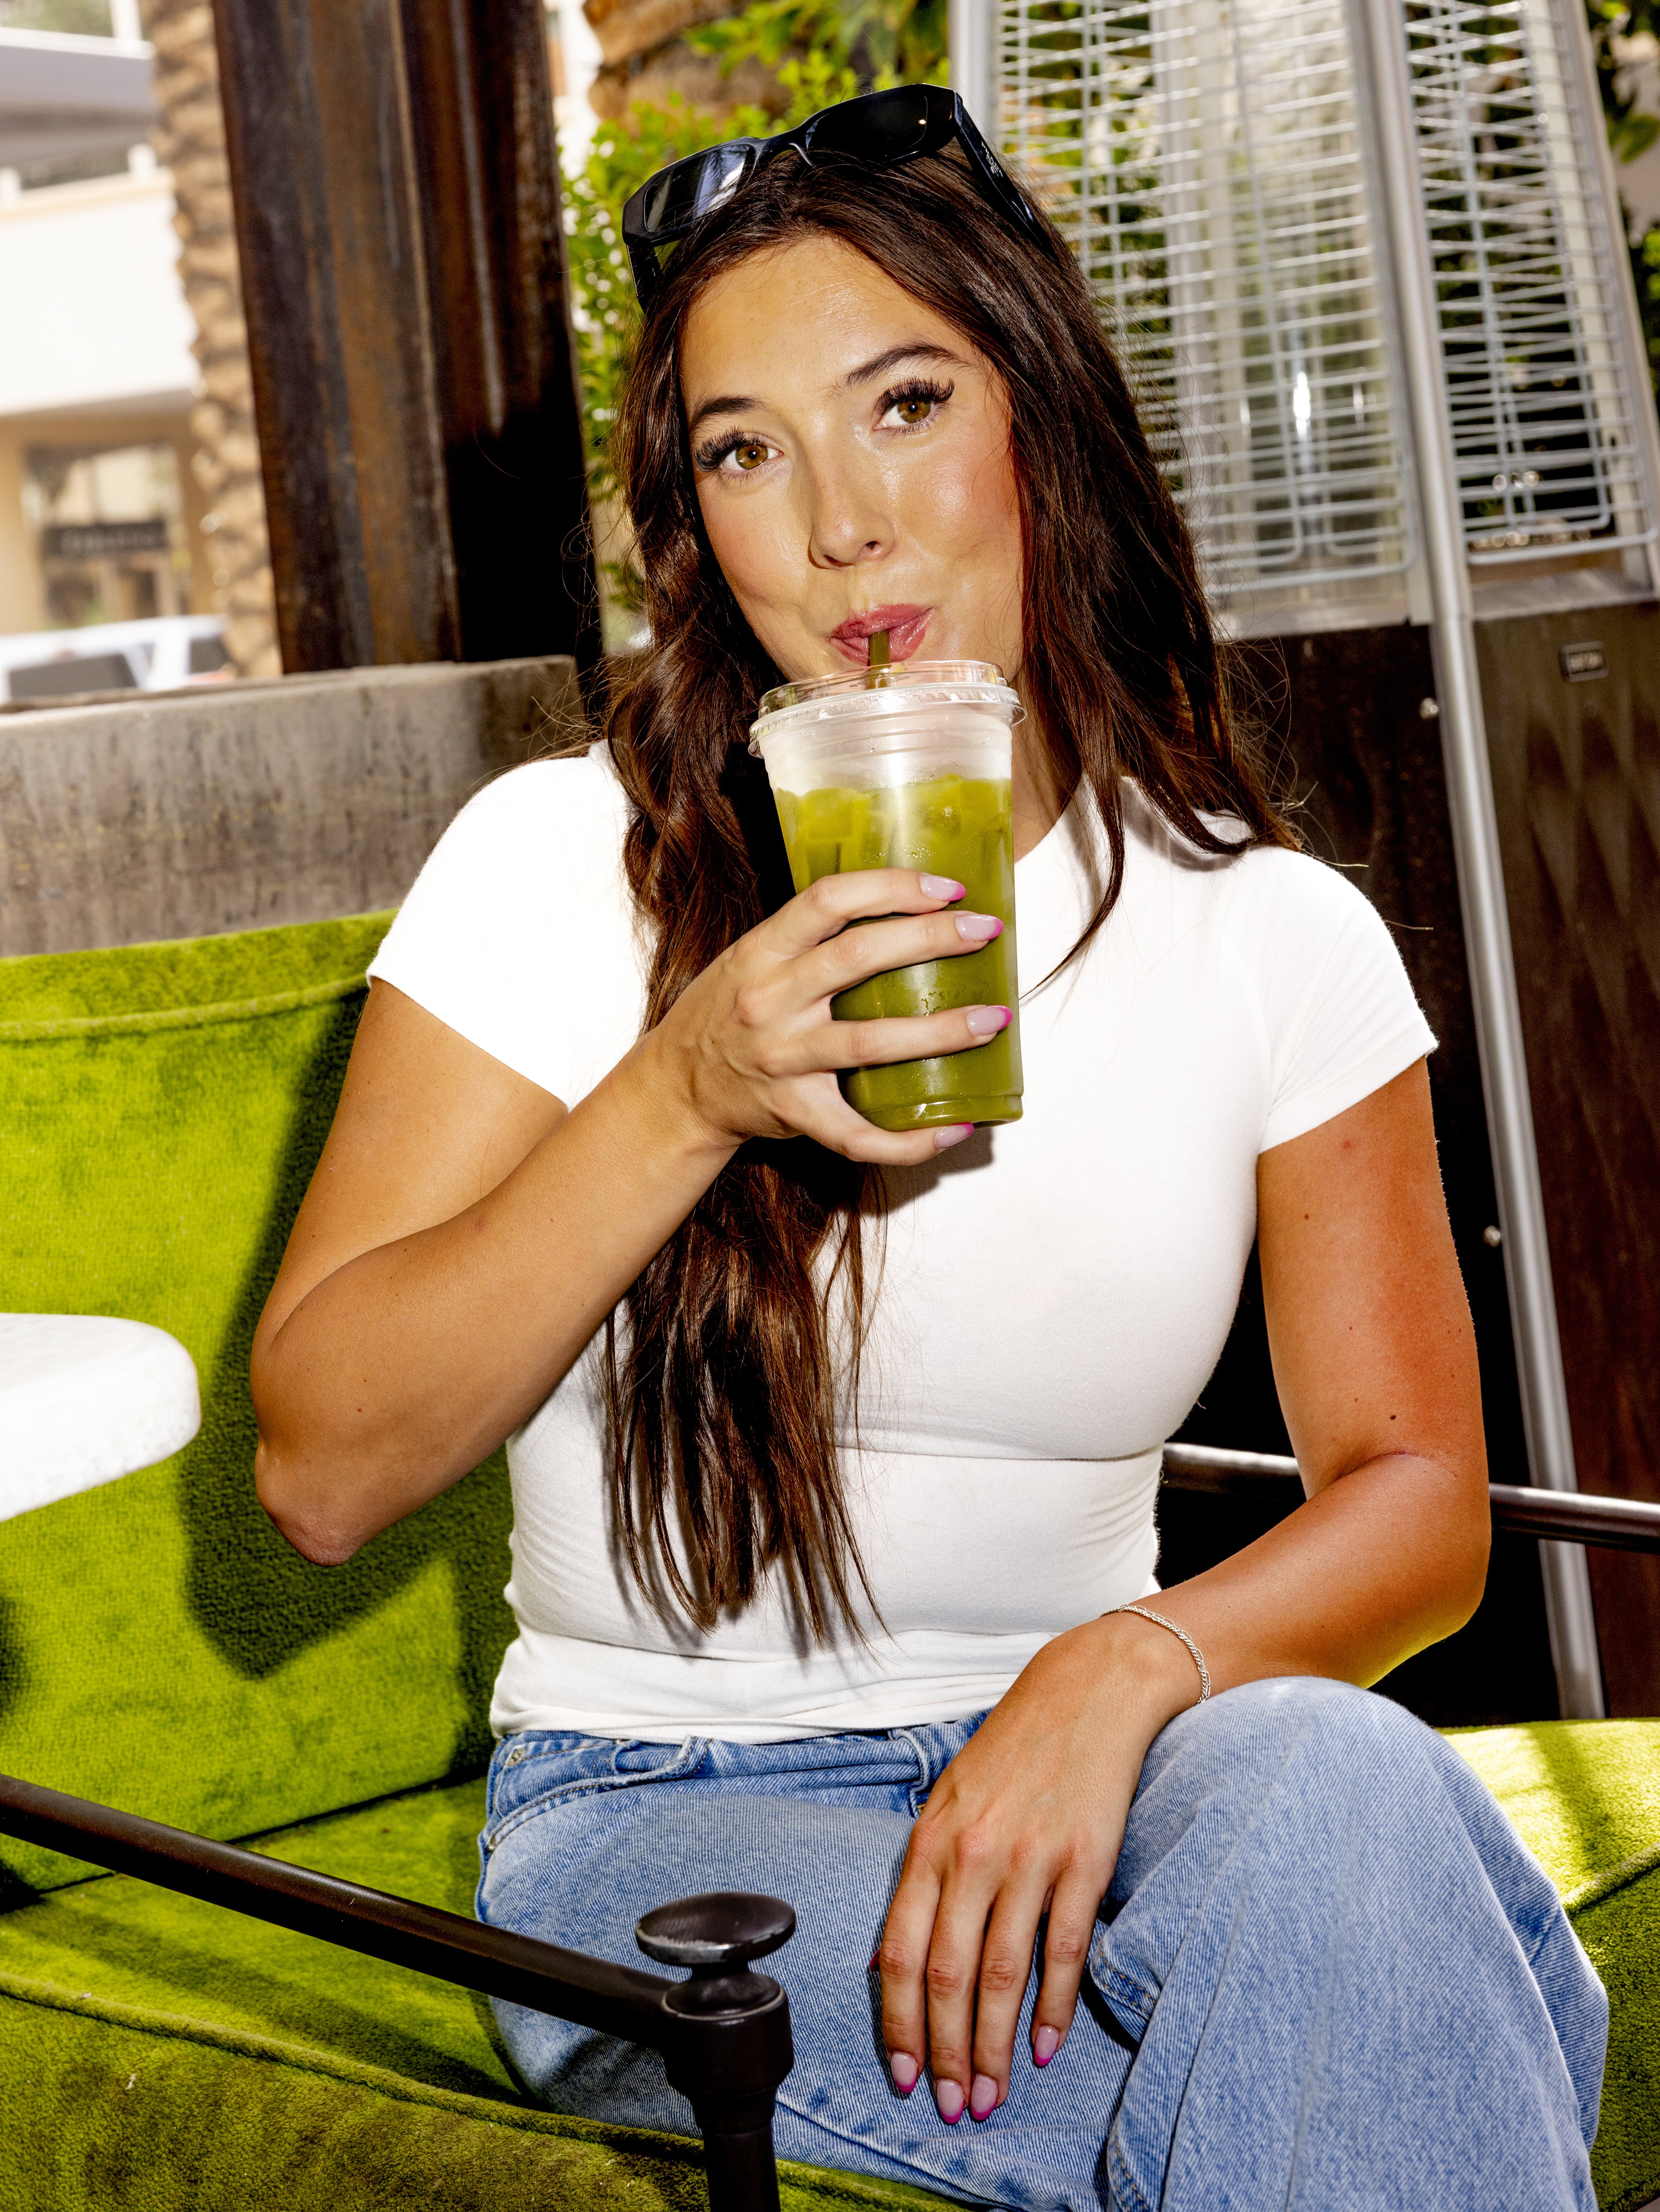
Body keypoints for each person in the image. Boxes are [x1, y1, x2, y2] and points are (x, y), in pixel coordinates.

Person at [250, 91, 1606, 2211]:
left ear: (1038, 420)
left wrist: (1118, 1669)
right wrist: (686, 1085)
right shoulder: (554, 868)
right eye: (744, 450)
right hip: (674, 1815)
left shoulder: (1270, 931)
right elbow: (322, 1462)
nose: (842, 528)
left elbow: (1420, 1498)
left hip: (1145, 1759)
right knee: (1364, 2061)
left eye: (903, 402)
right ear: (696, 524)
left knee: (1339, 1776)